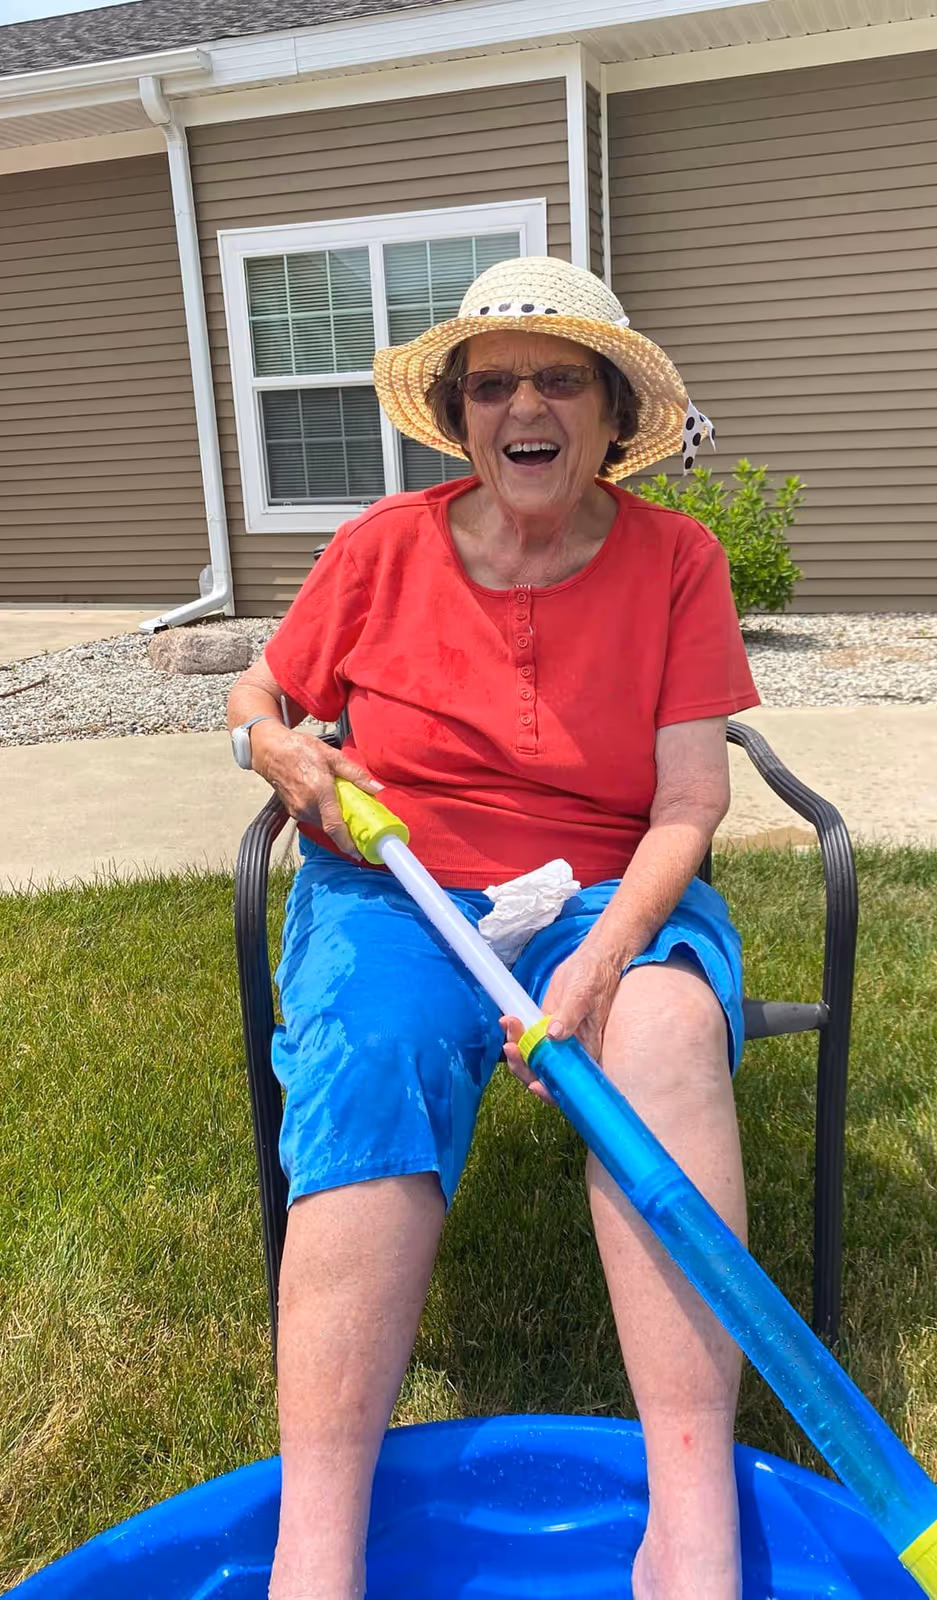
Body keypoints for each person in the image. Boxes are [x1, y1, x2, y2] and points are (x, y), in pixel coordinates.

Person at [226, 255, 761, 1600]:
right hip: (399, 892)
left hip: (604, 889)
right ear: (462, 415)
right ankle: (317, 1552)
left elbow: (692, 804)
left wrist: (595, 961)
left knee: (670, 1036)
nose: (525, 403)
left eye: (559, 378)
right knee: (368, 1051)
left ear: (610, 411)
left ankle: (691, 1526)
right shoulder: (380, 547)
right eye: (493, 382)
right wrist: (279, 757)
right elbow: (261, 692)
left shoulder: (678, 561)